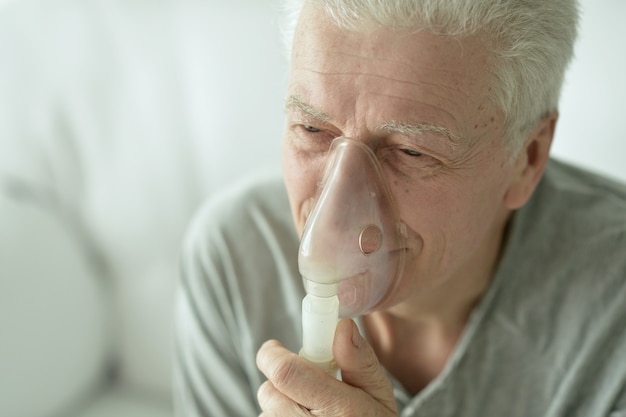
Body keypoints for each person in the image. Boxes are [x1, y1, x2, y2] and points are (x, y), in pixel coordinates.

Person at [173, 0, 626, 416]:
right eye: (312, 128)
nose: (337, 212)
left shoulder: (611, 306)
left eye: (411, 152)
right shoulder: (236, 259)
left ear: (527, 159)